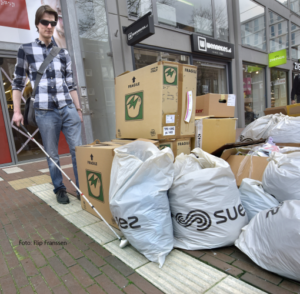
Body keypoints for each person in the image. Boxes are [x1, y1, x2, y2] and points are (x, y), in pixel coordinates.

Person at [12, 5, 83, 205]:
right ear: (37, 24)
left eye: (53, 22)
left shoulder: (63, 53)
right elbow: (17, 83)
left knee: (77, 151)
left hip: (67, 108)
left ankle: (81, 189)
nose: (49, 26)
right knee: (52, 154)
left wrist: (78, 110)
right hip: (45, 111)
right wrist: (17, 111)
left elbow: (71, 84)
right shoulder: (25, 50)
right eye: (45, 22)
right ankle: (59, 188)